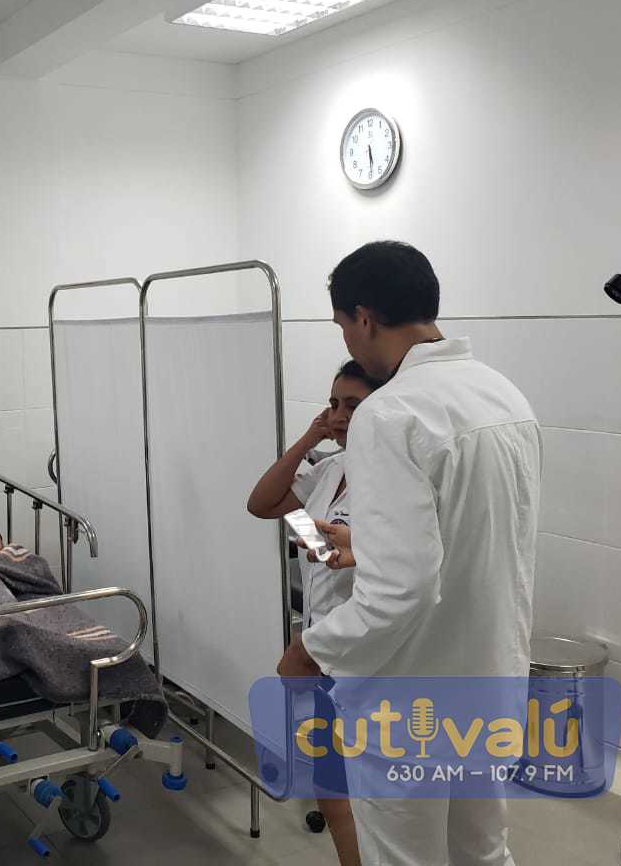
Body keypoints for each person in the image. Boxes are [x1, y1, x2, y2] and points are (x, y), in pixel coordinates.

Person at [276, 241, 542, 866]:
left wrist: (312, 649)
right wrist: (370, 544)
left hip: (410, 702)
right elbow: (482, 538)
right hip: (490, 678)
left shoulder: (390, 412)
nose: (348, 340)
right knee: (482, 850)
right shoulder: (503, 395)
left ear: (364, 317)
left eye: (343, 326)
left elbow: (403, 590)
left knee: (404, 855)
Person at [248, 359, 383, 866]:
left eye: (353, 405)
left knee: (362, 785)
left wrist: (354, 549)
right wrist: (310, 438)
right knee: (333, 783)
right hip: (324, 643)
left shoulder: (392, 479)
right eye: (333, 404)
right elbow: (263, 503)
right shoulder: (331, 470)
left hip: (366, 651)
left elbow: (407, 564)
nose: (339, 414)